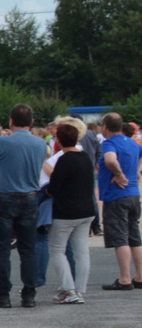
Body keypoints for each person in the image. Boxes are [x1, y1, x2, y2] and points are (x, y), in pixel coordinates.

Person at [0, 105, 50, 308]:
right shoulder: (39, 144)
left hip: (4, 197)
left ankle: (2, 294)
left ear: (11, 121)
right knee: (28, 249)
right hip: (29, 197)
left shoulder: (2, 142)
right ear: (32, 122)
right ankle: (29, 293)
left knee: (1, 248)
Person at [45, 123, 96, 303]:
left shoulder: (64, 160)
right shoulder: (85, 157)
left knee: (57, 250)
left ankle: (68, 289)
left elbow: (54, 187)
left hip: (66, 212)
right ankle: (80, 290)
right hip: (87, 210)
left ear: (58, 141)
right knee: (81, 252)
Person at [95, 112, 141, 291]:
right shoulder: (132, 142)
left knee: (120, 237)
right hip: (133, 193)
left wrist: (118, 173)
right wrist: (137, 171)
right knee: (134, 235)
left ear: (105, 126)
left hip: (116, 195)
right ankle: (140, 275)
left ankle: (124, 278)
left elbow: (110, 159)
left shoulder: (109, 143)